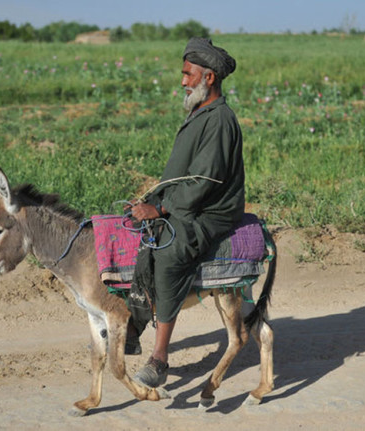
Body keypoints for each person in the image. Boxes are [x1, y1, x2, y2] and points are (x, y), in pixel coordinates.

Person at [128, 37, 245, 388]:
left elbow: (205, 181)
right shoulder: (200, 112)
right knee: (142, 237)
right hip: (188, 201)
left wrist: (162, 207)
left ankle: (160, 358)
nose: (182, 81)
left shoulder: (220, 119)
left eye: (188, 74)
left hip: (211, 210)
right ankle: (133, 326)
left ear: (208, 78)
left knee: (170, 251)